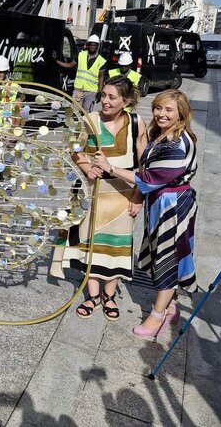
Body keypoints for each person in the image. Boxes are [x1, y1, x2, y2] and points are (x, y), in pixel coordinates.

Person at [93, 89, 198, 340]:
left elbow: (149, 178)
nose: (161, 114)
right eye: (158, 108)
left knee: (167, 257)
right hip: (161, 202)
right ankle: (170, 304)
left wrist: (111, 168)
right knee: (161, 252)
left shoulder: (179, 143)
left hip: (173, 205)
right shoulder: (161, 134)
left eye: (168, 110)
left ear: (181, 114)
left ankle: (157, 315)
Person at [66, 76, 146, 321]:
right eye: (103, 95)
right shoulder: (90, 120)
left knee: (116, 247)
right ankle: (92, 295)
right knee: (92, 245)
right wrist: (87, 167)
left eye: (112, 97)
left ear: (127, 100)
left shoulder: (136, 123)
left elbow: (144, 164)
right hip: (94, 193)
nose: (105, 101)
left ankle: (109, 295)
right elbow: (76, 150)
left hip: (123, 195)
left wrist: (138, 195)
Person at [72, 34, 106, 112]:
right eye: (90, 44)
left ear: (97, 46)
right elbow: (71, 64)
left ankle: (84, 124)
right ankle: (75, 124)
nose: (92, 46)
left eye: (94, 45)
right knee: (75, 112)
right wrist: (57, 61)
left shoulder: (101, 60)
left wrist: (100, 91)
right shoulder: (81, 55)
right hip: (78, 89)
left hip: (91, 91)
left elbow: (101, 77)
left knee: (87, 113)